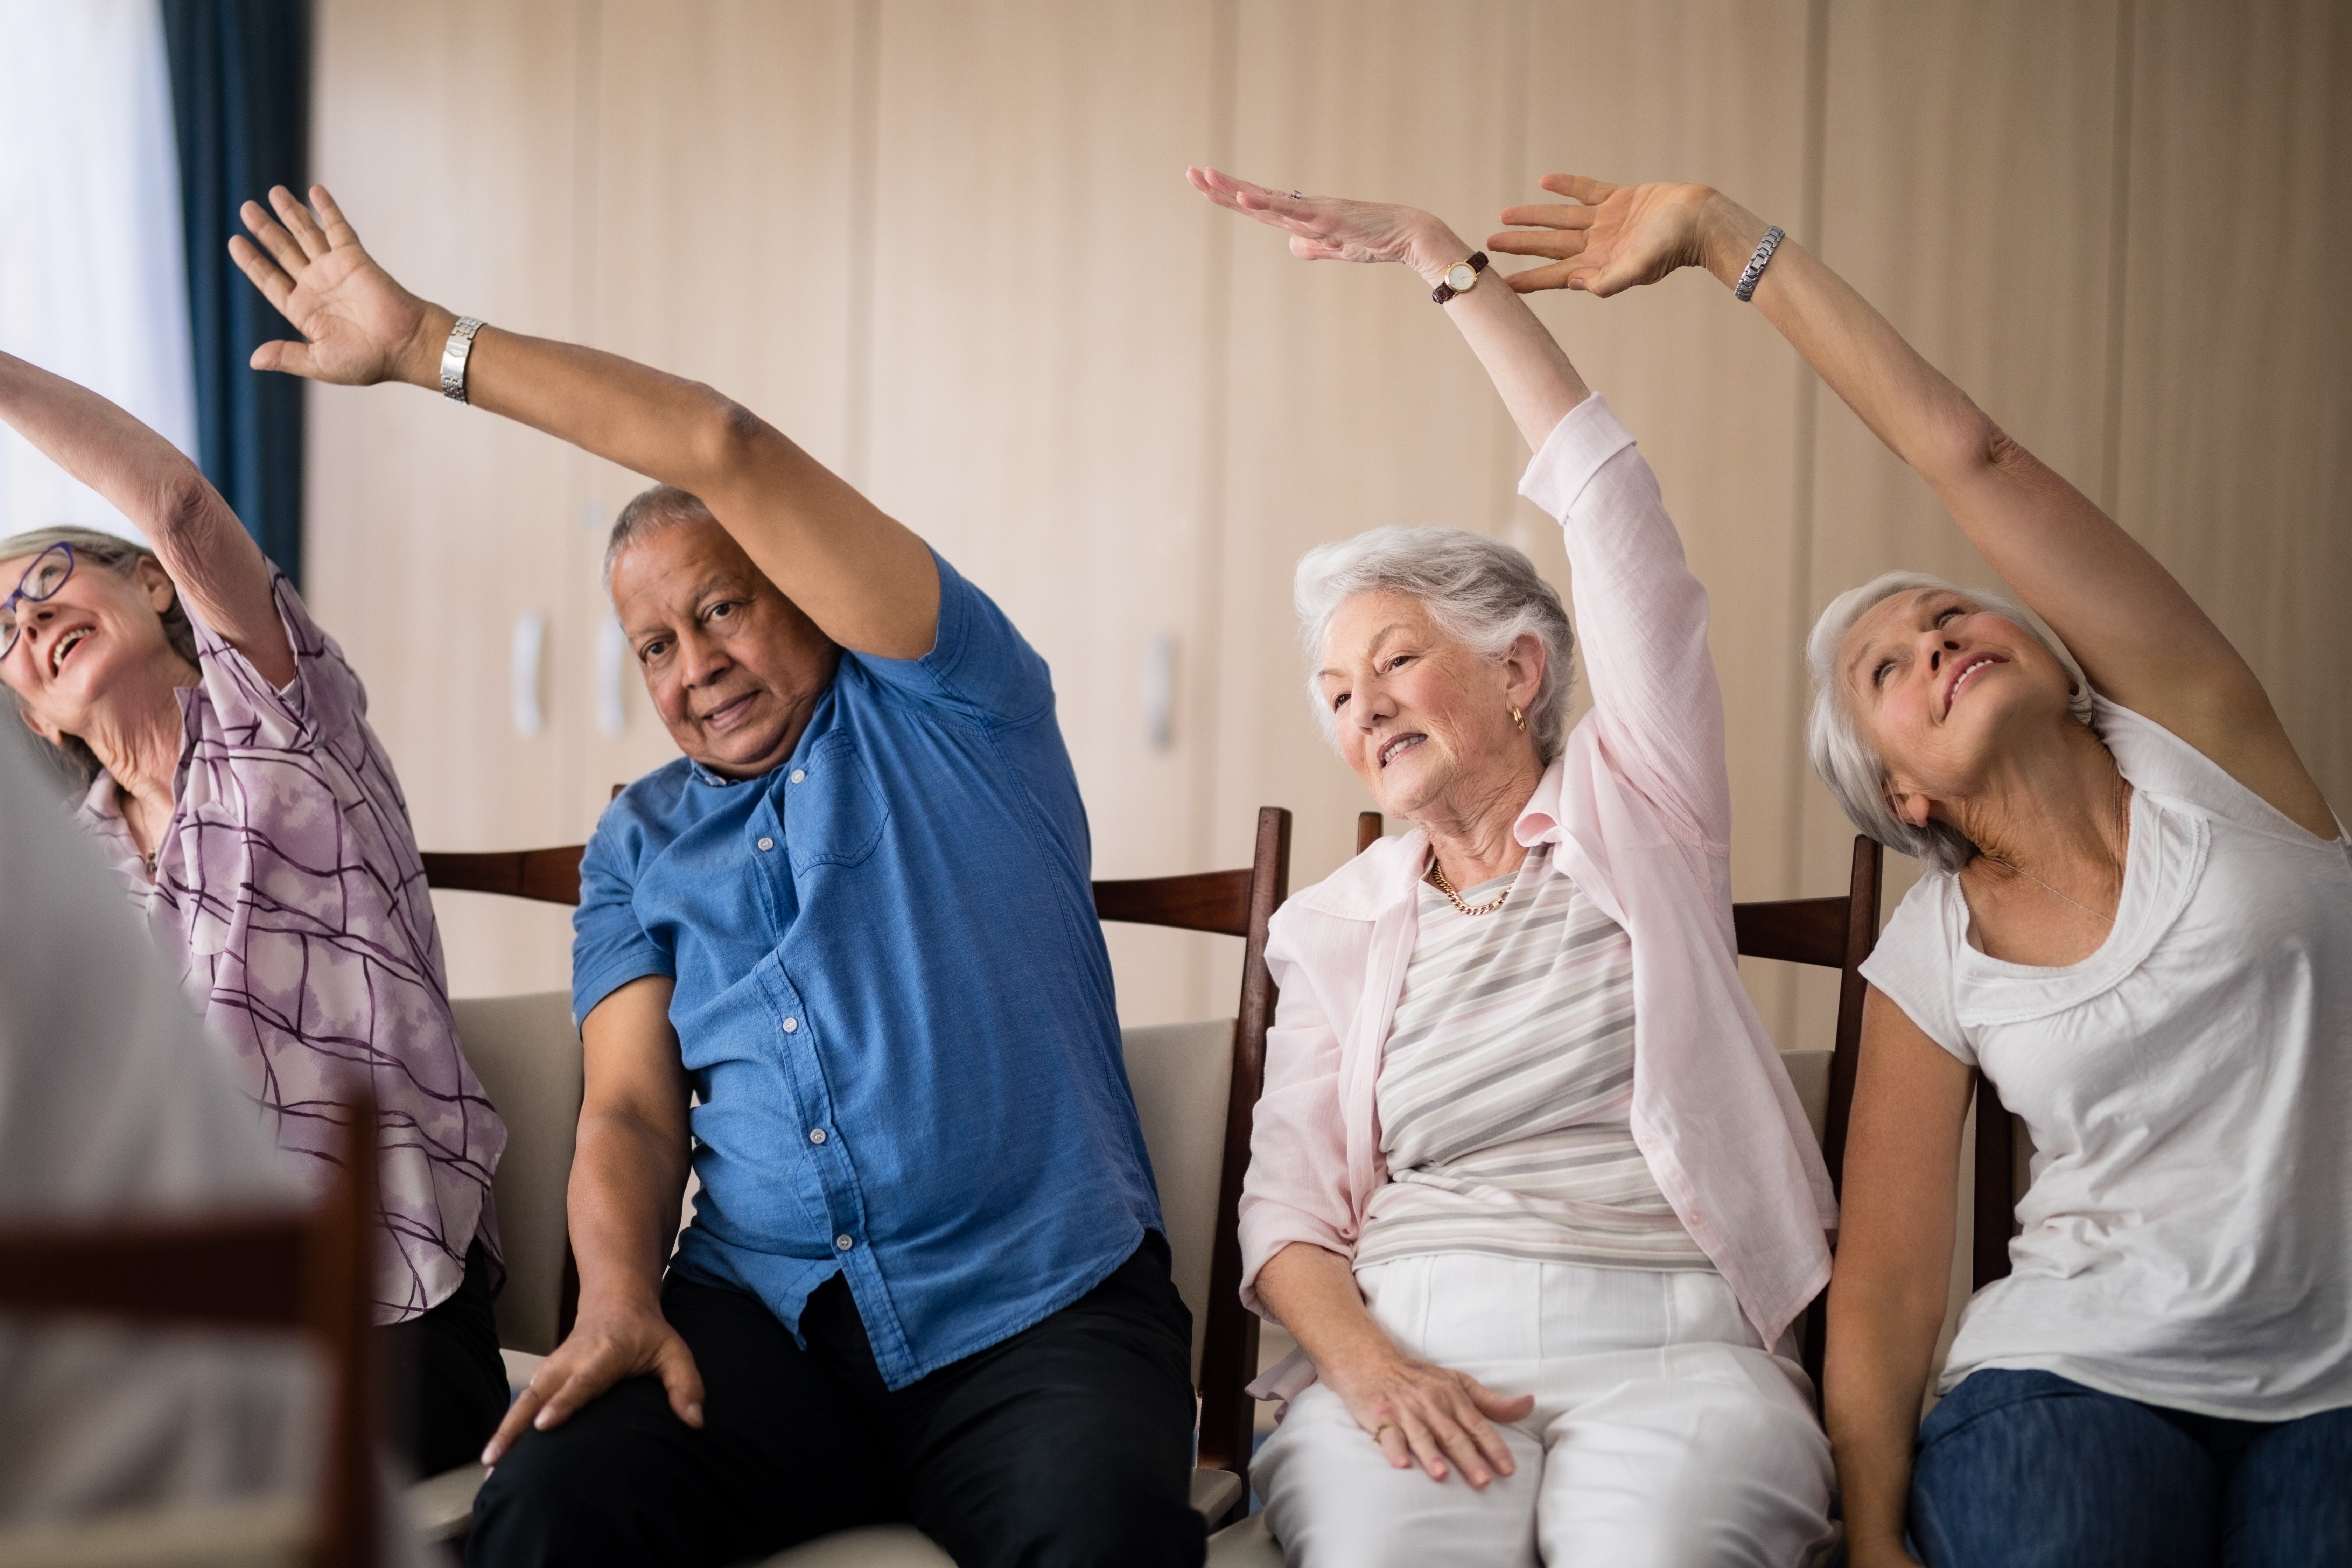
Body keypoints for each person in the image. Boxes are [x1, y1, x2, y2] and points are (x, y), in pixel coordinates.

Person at [227, 182, 1203, 1568]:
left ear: (805, 590)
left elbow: (723, 444)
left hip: (1034, 1320)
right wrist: (621, 1296)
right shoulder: (638, 840)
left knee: (1101, 1538)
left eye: (723, 608)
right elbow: (627, 1111)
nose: (696, 666)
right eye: (655, 647)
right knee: (551, 1512)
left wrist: (429, 343)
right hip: (763, 1326)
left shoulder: (953, 704)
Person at [1490, 176, 2352, 1566]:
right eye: (1888, 666)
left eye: (1954, 611)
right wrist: (1876, 1532)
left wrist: (1724, 237)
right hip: (2072, 1380)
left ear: (2060, 655)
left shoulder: (2213, 751)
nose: (1939, 636)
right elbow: (1888, 1288)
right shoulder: (1932, 952)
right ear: (1902, 789)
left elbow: (1975, 459)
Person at [1186, 168, 1838, 1568]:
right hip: (1417, 1326)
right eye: (1336, 694)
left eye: (1397, 662)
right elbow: (1287, 1208)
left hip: (1673, 1333)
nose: (1362, 709)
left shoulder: (1640, 803)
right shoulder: (1334, 926)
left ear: (1520, 671)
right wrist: (1364, 1366)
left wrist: (1446, 266)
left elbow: (1614, 518)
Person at [0, 357, 509, 1478]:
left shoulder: (281, 723)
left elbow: (179, 505)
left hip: (390, 1318)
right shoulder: (68, 881)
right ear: (33, 719)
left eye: (50, 579)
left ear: (155, 586)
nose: (30, 620)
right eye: (4, 635)